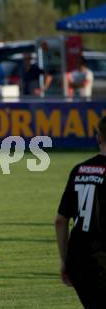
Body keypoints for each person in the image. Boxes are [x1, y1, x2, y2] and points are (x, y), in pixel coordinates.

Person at [55, 115, 106, 309]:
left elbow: (61, 220)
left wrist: (64, 260)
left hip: (79, 259)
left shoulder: (80, 170)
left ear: (98, 137)